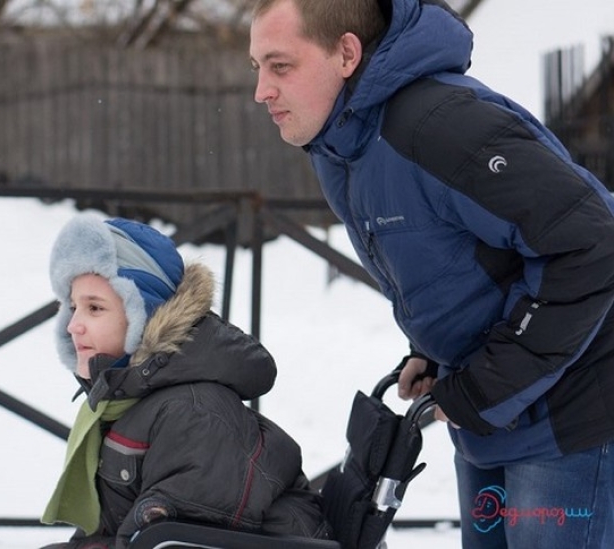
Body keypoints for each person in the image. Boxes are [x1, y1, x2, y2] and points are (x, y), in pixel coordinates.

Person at [250, 1, 614, 548]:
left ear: (346, 54)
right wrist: (435, 351)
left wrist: (485, 383)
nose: (261, 90)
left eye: (280, 66)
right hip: (489, 413)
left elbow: (592, 243)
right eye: (256, 67)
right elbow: (464, 257)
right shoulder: (338, 148)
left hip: (574, 413)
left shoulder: (440, 126)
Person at [38, 214, 331, 549]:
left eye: (94, 308)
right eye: (73, 307)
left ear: (143, 314)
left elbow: (171, 541)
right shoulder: (130, 399)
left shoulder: (192, 413)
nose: (73, 325)